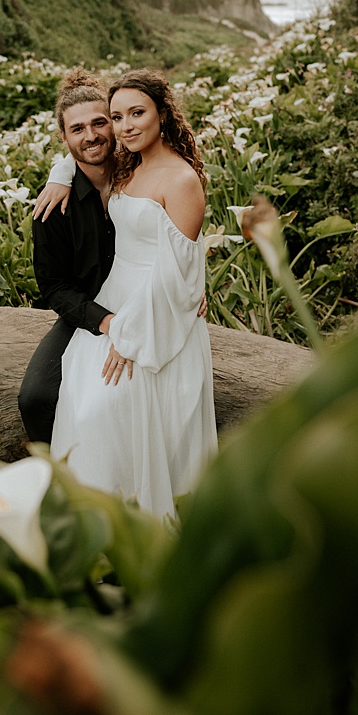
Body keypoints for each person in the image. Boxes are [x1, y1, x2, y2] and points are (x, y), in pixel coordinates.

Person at [47, 70, 217, 519]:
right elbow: (84, 155)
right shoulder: (129, 164)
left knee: (113, 404)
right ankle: (95, 520)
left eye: (136, 113)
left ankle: (140, 519)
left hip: (157, 313)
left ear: (162, 113)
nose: (124, 126)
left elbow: (177, 269)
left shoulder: (181, 180)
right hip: (113, 300)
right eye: (117, 116)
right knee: (83, 403)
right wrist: (61, 171)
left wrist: (130, 331)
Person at [17, 71, 118, 444]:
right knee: (36, 398)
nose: (90, 136)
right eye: (77, 129)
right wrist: (103, 321)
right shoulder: (53, 205)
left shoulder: (140, 177)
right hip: (86, 313)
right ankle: (57, 482)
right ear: (64, 138)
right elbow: (54, 286)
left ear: (114, 124)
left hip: (146, 304)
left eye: (99, 123)